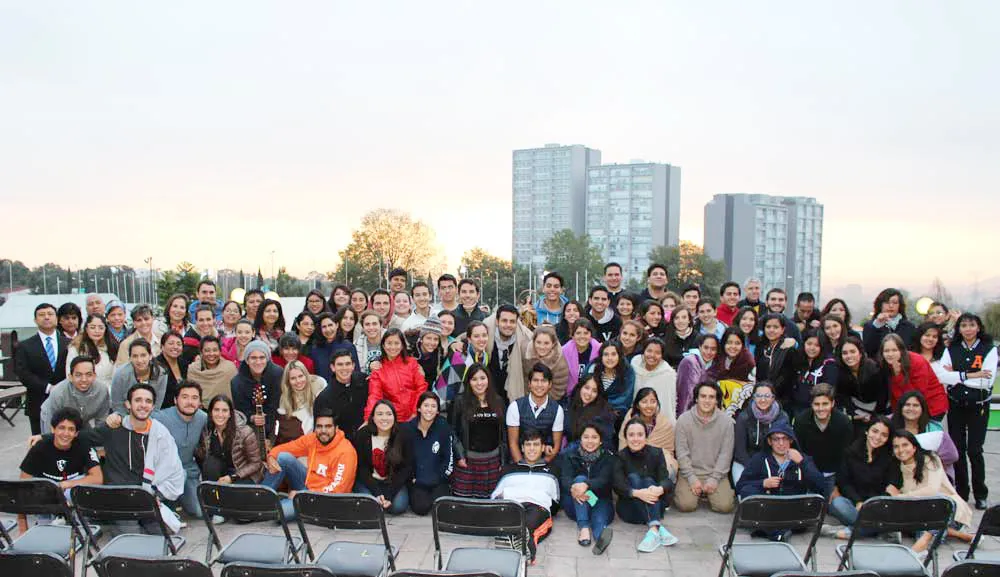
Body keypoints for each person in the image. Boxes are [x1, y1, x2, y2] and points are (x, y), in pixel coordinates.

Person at [81, 383, 185, 534]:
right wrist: (43, 438)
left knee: (163, 533)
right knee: (132, 536)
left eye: (148, 401)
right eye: (138, 400)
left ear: (153, 406)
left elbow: (172, 469)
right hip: (119, 497)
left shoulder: (160, 433)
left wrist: (156, 493)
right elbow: (79, 438)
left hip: (145, 495)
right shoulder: (114, 427)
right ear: (128, 404)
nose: (143, 405)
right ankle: (111, 521)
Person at [938, 312, 996, 509]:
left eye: (972, 325)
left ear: (978, 327)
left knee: (975, 450)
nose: (968, 329)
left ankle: (981, 493)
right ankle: (961, 491)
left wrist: (957, 376)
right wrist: (971, 374)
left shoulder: (989, 349)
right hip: (956, 405)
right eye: (964, 325)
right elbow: (942, 377)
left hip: (978, 406)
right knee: (958, 449)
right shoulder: (951, 349)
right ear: (959, 329)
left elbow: (985, 382)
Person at [887, 430, 974, 555]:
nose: (901, 450)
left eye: (905, 445)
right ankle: (956, 534)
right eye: (896, 446)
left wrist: (900, 496)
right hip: (923, 514)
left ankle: (925, 541)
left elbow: (931, 490)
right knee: (917, 520)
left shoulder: (931, 459)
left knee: (937, 501)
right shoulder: (897, 466)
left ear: (914, 446)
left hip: (948, 510)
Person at [735, 423, 825, 542]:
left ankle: (769, 529)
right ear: (769, 441)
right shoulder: (760, 459)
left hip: (793, 508)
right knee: (748, 492)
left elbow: (821, 486)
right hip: (768, 507)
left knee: (813, 500)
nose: (781, 443)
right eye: (776, 439)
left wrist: (802, 463)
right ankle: (777, 532)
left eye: (785, 439)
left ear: (791, 440)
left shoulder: (802, 458)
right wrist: (763, 483)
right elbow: (740, 486)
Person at [264, 409, 358, 520]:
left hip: (327, 499)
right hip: (308, 486)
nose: (323, 431)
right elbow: (285, 448)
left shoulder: (346, 451)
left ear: (336, 429)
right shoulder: (313, 439)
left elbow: (337, 490)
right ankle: (261, 498)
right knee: (282, 457)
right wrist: (271, 456)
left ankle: (284, 505)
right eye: (319, 426)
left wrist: (303, 495)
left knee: (278, 513)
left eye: (328, 426)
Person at [18, 408, 102, 532]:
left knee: (75, 491)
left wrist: (67, 484)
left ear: (76, 433)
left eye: (71, 429)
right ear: (53, 429)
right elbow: (21, 487)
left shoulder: (83, 445)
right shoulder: (39, 448)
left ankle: (76, 522)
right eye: (61, 428)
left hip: (71, 492)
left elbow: (97, 478)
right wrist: (22, 527)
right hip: (46, 496)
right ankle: (49, 522)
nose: (66, 433)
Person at [491, 428, 560, 564]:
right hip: (512, 506)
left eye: (536, 445)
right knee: (510, 519)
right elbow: (495, 497)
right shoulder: (509, 470)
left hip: (537, 508)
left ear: (543, 448)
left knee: (528, 523)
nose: (532, 449)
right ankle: (515, 542)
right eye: (528, 445)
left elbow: (557, 502)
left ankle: (523, 547)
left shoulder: (553, 470)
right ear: (522, 448)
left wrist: (592, 499)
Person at [614, 418, 678, 552]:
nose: (635, 439)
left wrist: (659, 489)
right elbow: (618, 485)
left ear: (646, 436)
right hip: (630, 510)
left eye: (640, 434)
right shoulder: (620, 456)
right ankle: (657, 528)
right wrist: (637, 493)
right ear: (625, 437)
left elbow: (666, 481)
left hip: (654, 505)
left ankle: (653, 530)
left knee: (649, 482)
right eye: (631, 435)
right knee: (634, 478)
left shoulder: (656, 453)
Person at [827, 416, 895, 540]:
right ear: (867, 431)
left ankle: (845, 531)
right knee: (838, 504)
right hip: (853, 504)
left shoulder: (890, 458)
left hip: (876, 507)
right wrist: (858, 502)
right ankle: (877, 529)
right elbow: (844, 482)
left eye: (884, 435)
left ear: (888, 438)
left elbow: (889, 486)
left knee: (887, 513)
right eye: (875, 431)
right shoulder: (850, 452)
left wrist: (872, 506)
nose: (878, 437)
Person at [673, 382, 735, 513]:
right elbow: (682, 453)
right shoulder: (683, 420)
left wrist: (714, 479)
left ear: (717, 400)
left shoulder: (727, 423)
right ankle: (695, 491)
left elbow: (726, 454)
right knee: (686, 505)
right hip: (690, 472)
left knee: (725, 507)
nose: (707, 401)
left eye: (711, 397)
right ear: (696, 398)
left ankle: (708, 492)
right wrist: (691, 478)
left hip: (716, 473)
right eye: (703, 396)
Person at [449, 365, 507, 498]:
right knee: (464, 503)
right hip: (467, 462)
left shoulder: (498, 401)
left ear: (488, 380)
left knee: (489, 503)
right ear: (468, 382)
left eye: (482, 378)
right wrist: (459, 455)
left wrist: (503, 461)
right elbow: (452, 431)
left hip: (492, 462)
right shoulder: (459, 401)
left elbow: (504, 433)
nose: (479, 383)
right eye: (474, 379)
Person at [153, 381, 208, 519]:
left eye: (194, 398)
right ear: (175, 400)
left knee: (199, 512)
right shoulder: (160, 418)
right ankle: (160, 501)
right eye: (185, 397)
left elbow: (227, 419)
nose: (190, 402)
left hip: (189, 470)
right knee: (179, 475)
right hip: (165, 472)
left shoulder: (203, 418)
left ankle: (179, 498)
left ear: (200, 402)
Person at [560, 423, 616, 553]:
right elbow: (565, 479)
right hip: (575, 503)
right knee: (580, 479)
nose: (590, 441)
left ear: (601, 440)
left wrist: (587, 485)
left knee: (599, 520)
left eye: (594, 437)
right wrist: (574, 488)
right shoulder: (570, 455)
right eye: (586, 437)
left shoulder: (608, 457)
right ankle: (584, 527)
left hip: (599, 501)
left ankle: (600, 539)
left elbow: (604, 480)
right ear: (580, 438)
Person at [15, 303, 69, 434]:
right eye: (41, 315)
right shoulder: (25, 346)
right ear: (35, 320)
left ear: (57, 319)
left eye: (50, 314)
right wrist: (48, 387)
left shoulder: (69, 343)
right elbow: (23, 373)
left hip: (66, 401)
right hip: (37, 402)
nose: (46, 317)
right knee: (40, 445)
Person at [353, 399, 412, 515]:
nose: (384, 418)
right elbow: (361, 468)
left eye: (389, 414)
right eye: (379, 414)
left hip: (392, 482)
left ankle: (383, 501)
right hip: (369, 481)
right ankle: (378, 501)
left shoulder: (403, 434)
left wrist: (390, 494)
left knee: (398, 507)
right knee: (369, 507)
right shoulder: (363, 435)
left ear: (394, 417)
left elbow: (406, 468)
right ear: (373, 418)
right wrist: (377, 492)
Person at [792, 383, 852, 496]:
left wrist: (838, 486)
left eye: (825, 404)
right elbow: (798, 451)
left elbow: (846, 456)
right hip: (809, 474)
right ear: (811, 404)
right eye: (817, 404)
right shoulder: (801, 421)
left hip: (833, 475)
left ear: (832, 403)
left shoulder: (843, 422)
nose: (821, 409)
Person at [196, 395, 264, 488]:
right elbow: (203, 457)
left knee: (232, 495)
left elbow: (256, 463)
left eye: (224, 410)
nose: (220, 414)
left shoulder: (244, 432)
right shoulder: (207, 430)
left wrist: (232, 477)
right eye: (216, 410)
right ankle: (212, 496)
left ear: (230, 414)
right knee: (210, 464)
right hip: (221, 471)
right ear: (211, 412)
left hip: (243, 473)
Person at [890, 390, 959, 481]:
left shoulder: (934, 429)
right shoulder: (888, 424)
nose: (911, 409)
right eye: (907, 405)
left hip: (929, 474)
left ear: (923, 408)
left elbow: (951, 456)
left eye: (915, 405)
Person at [405, 392, 455, 515]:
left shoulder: (443, 427)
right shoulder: (408, 429)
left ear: (438, 411)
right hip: (417, 481)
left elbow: (449, 457)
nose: (429, 409)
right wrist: (411, 478)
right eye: (426, 405)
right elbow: (404, 458)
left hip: (438, 480)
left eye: (433, 406)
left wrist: (442, 477)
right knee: (421, 508)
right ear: (419, 408)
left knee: (442, 509)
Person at [879, 333, 949, 419]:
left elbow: (916, 394)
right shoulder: (885, 364)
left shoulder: (917, 361)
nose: (890, 354)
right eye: (886, 351)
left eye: (894, 350)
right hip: (908, 407)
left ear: (901, 350)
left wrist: (898, 375)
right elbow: (893, 394)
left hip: (931, 406)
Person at [230, 340, 283, 454]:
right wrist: (252, 417)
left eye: (262, 357)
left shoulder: (277, 374)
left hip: (275, 419)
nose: (258, 361)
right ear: (247, 360)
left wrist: (269, 437)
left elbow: (275, 405)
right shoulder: (237, 382)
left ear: (267, 359)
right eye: (253, 358)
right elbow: (241, 411)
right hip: (251, 423)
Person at [506, 363, 565, 464]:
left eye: (544, 381)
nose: (539, 385)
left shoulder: (557, 410)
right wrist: (523, 465)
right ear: (529, 384)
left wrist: (540, 466)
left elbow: (556, 447)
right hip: (519, 463)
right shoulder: (515, 407)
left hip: (545, 463)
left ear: (550, 384)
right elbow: (513, 443)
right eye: (535, 380)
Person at [732, 382, 789, 483]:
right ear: (753, 397)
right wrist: (756, 468)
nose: (763, 400)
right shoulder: (743, 417)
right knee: (745, 490)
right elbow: (740, 451)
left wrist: (768, 467)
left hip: (774, 461)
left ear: (773, 398)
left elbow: (784, 447)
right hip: (746, 461)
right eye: (759, 396)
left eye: (767, 396)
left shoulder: (782, 417)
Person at [364, 328, 424, 423]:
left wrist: (415, 413)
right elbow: (374, 396)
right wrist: (368, 419)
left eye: (396, 343)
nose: (393, 347)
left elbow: (421, 388)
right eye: (389, 343)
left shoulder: (412, 363)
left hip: (415, 416)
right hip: (392, 419)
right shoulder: (378, 369)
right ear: (383, 345)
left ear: (402, 346)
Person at [41, 355, 111, 434]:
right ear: (70, 377)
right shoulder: (58, 392)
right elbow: (50, 428)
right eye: (78, 375)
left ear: (94, 376)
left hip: (82, 420)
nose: (84, 379)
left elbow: (101, 422)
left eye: (88, 374)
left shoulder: (102, 391)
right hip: (53, 417)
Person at [835, 334, 888, 435]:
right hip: (858, 412)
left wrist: (874, 417)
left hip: (879, 411)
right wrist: (853, 413)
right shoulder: (841, 373)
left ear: (860, 353)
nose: (849, 356)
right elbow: (843, 397)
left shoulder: (874, 369)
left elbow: (883, 396)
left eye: (852, 352)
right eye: (845, 353)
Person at [616, 388, 678, 473]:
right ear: (637, 405)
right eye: (644, 402)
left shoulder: (664, 423)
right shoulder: (630, 419)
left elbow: (667, 452)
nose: (649, 405)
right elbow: (623, 446)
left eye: (653, 401)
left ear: (657, 404)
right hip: (632, 461)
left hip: (657, 464)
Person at [313, 349, 369, 440]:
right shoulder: (324, 398)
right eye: (340, 364)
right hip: (341, 443)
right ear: (332, 367)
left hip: (366, 438)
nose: (344, 368)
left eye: (348, 364)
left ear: (353, 366)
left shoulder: (363, 381)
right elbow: (321, 430)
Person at [482, 304, 532, 402]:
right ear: (497, 321)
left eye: (512, 321)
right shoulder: (485, 333)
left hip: (512, 395)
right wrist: (454, 343)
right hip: (487, 395)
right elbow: (468, 336)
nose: (508, 325)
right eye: (504, 321)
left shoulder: (525, 338)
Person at [110, 338, 168, 416]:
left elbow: (156, 405)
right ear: (130, 358)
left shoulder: (161, 374)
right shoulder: (120, 375)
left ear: (150, 356)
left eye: (143, 355)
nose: (139, 360)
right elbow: (117, 405)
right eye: (135, 356)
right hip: (125, 417)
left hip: (150, 417)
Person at [754, 313, 800, 410]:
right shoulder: (760, 346)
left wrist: (771, 392)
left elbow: (788, 377)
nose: (771, 330)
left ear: (782, 329)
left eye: (775, 327)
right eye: (768, 327)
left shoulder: (789, 348)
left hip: (782, 400)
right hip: (760, 396)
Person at [587, 339, 636, 430]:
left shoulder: (628, 371)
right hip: (592, 412)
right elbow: (584, 391)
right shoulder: (593, 368)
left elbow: (626, 397)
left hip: (617, 417)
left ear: (619, 355)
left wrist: (606, 408)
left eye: (613, 354)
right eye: (606, 354)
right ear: (601, 356)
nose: (610, 358)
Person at [275, 360, 326, 445]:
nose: (298, 381)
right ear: (288, 381)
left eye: (300, 376)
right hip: (301, 442)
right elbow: (287, 429)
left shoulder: (318, 385)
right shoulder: (285, 399)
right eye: (293, 378)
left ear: (306, 375)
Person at [787, 330, 836, 417]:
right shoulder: (798, 359)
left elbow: (829, 388)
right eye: (809, 344)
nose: (812, 348)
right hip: (796, 408)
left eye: (817, 345)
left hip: (818, 409)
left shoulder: (829, 363)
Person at [707, 327, 756, 414]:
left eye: (737, 343)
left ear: (742, 345)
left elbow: (750, 388)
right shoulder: (719, 357)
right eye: (729, 343)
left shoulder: (748, 362)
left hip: (740, 409)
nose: (733, 347)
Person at [629, 338, 677, 423]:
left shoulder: (667, 374)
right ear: (643, 352)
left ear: (662, 356)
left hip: (657, 422)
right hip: (635, 418)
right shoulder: (635, 365)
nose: (652, 355)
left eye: (657, 353)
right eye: (649, 351)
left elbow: (668, 405)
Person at [565, 374, 616, 451]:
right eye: (587, 388)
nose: (589, 393)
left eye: (594, 391)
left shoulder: (604, 412)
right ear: (580, 387)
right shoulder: (570, 404)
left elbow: (604, 442)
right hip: (571, 454)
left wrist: (565, 452)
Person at [863, 288, 919, 357]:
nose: (891, 306)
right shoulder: (871, 326)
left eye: (895, 303)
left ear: (900, 305)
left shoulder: (909, 327)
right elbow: (868, 350)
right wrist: (877, 326)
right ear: (880, 305)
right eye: (887, 302)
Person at [66, 314, 115, 391]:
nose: (97, 331)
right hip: (84, 392)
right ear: (86, 329)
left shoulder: (112, 347)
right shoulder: (76, 349)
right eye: (92, 327)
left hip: (108, 392)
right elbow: (70, 376)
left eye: (101, 328)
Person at [675, 334, 719, 418]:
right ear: (700, 347)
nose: (709, 352)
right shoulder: (690, 362)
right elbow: (685, 396)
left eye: (713, 349)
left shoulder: (714, 367)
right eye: (706, 348)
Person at [522, 326, 570, 401]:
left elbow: (557, 392)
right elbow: (524, 380)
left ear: (553, 344)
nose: (542, 347)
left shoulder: (560, 365)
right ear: (533, 341)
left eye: (546, 343)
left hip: (548, 401)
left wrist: (539, 402)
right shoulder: (525, 354)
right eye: (538, 342)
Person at [187, 335, 237, 408]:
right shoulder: (193, 369)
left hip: (224, 411)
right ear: (201, 352)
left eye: (215, 350)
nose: (211, 354)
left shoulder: (229, 368)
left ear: (220, 352)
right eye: (207, 350)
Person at [562, 318, 601, 395]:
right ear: (572, 335)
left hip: (594, 393)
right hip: (571, 393)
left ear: (591, 335)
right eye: (578, 333)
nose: (582, 336)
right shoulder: (564, 351)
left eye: (586, 333)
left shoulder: (599, 350)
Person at [156, 331, 189, 409]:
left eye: (179, 344)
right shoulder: (156, 366)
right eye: (171, 343)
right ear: (162, 347)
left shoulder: (184, 363)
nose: (175, 347)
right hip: (162, 410)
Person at [354, 310, 386, 375]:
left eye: (374, 324)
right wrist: (368, 366)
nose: (371, 327)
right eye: (367, 324)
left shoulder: (390, 339)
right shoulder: (356, 344)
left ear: (381, 325)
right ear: (363, 327)